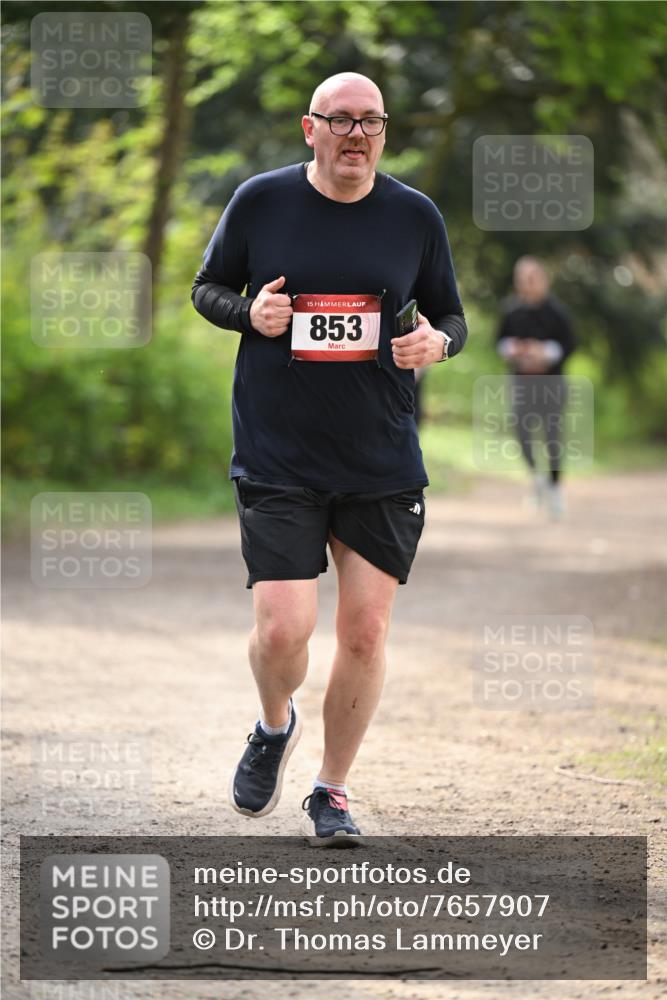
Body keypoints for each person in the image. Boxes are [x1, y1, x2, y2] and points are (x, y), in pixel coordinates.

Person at [191, 72, 466, 846]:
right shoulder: (261, 201)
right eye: (340, 120)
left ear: (384, 131)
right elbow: (206, 287)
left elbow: (448, 312)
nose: (356, 134)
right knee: (282, 632)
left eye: (370, 121)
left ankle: (331, 792)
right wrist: (251, 312)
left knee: (366, 633)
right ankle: (273, 726)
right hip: (278, 451)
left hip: (378, 454)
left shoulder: (414, 216)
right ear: (309, 128)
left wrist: (438, 341)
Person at [496, 257, 576, 520]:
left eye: (531, 279)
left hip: (551, 384)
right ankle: (537, 478)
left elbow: (570, 344)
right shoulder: (511, 310)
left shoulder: (558, 312)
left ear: (543, 280)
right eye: (521, 280)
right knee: (521, 431)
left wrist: (545, 353)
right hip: (522, 383)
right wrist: (515, 349)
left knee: (552, 436)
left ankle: (554, 488)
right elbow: (499, 342)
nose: (526, 285)